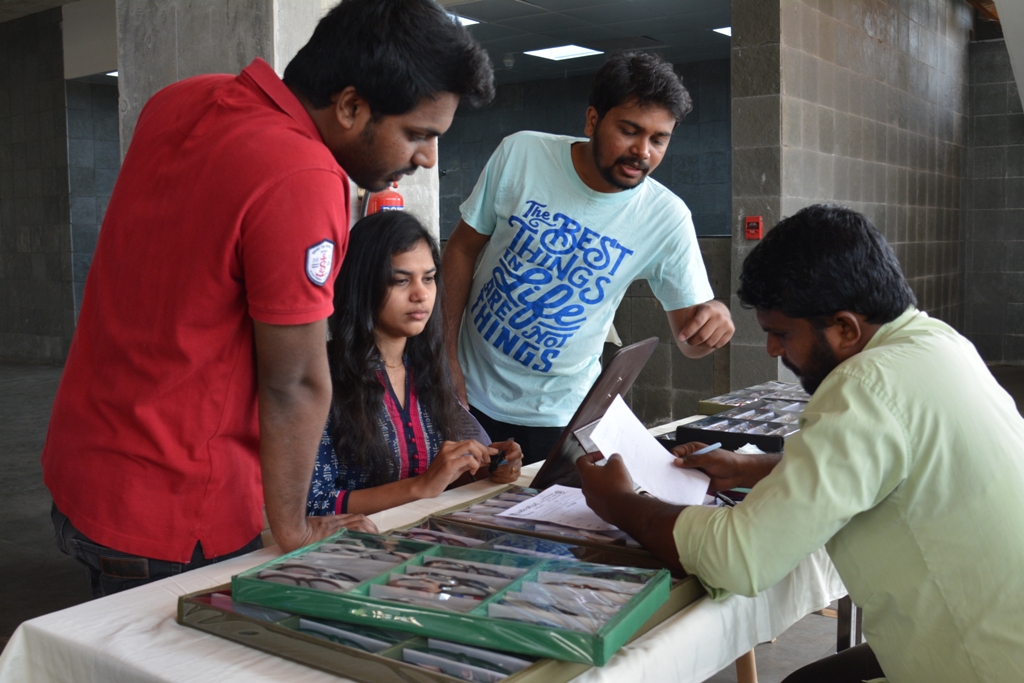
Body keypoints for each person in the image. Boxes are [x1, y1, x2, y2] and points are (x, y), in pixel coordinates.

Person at [42, 0, 494, 597]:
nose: (426, 157)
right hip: (179, 506)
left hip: (86, 467)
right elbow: (296, 382)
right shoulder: (303, 175)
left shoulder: (184, 99)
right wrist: (294, 526)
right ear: (351, 105)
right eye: (417, 133)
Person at [576, 204, 1024, 682]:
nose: (772, 349)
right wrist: (754, 468)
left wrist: (622, 503)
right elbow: (892, 462)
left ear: (846, 329)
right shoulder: (938, 343)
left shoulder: (864, 384)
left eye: (781, 334)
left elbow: (741, 558)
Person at [442, 51, 734, 465]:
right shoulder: (522, 154)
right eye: (630, 131)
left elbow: (692, 341)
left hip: (563, 414)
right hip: (468, 393)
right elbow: (461, 248)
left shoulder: (666, 217)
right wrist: (445, 356)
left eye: (659, 139)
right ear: (593, 120)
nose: (643, 152)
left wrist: (714, 320)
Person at [305, 211, 523, 517]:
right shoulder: (321, 379)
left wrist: (483, 466)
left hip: (425, 540)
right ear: (361, 286)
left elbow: (439, 478)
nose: (421, 294)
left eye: (429, 278)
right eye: (400, 280)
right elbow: (312, 506)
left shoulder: (428, 370)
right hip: (352, 553)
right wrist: (420, 486)